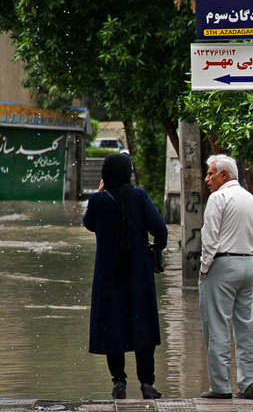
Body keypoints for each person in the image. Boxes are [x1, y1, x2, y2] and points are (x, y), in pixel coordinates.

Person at [83, 153, 168, 400]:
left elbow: (89, 224)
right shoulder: (139, 196)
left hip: (108, 276)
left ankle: (119, 383)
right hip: (138, 275)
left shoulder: (98, 201)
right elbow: (160, 230)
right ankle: (147, 385)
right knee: (142, 325)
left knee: (113, 326)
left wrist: (99, 192)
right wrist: (155, 249)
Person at [199, 155, 253, 400]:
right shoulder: (252, 200)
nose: (207, 179)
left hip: (222, 264)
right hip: (248, 263)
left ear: (224, 175)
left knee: (217, 327)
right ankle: (247, 384)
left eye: (211, 174)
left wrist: (205, 268)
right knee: (245, 325)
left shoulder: (219, 198)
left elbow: (210, 238)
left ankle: (220, 387)